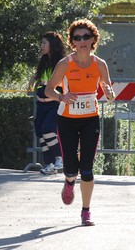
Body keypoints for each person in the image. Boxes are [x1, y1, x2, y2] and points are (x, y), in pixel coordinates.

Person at [44, 19, 115, 226]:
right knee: (70, 168)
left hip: (90, 119)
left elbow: (109, 94)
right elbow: (48, 89)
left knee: (87, 168)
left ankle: (86, 211)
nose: (82, 41)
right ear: (72, 42)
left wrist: (110, 94)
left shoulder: (100, 64)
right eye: (77, 38)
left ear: (93, 39)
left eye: (86, 37)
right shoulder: (65, 63)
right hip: (66, 119)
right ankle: (68, 182)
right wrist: (61, 97)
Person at [28, 32, 67, 175]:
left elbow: (61, 85)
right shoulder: (44, 61)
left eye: (44, 43)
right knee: (40, 133)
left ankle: (60, 157)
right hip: (42, 104)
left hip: (54, 104)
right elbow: (42, 81)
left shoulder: (61, 62)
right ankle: (49, 164)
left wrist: (54, 97)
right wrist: (34, 79)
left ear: (53, 44)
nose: (41, 46)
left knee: (47, 129)